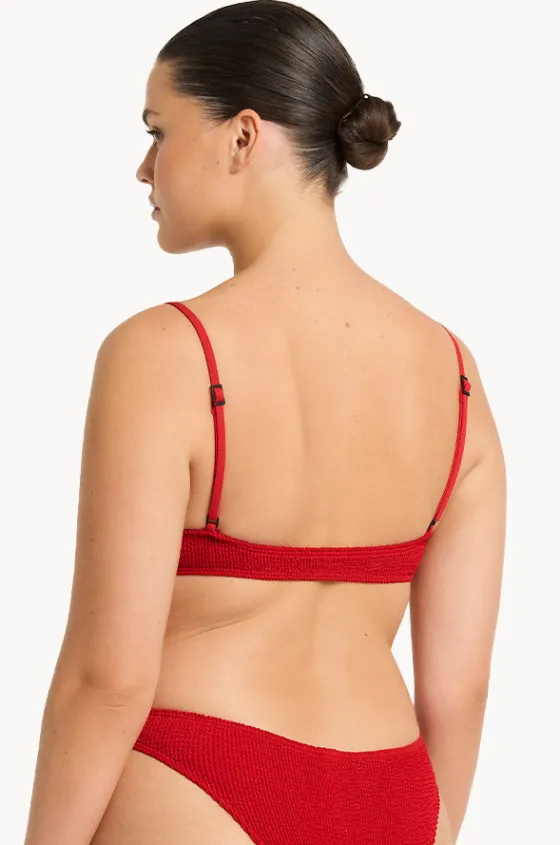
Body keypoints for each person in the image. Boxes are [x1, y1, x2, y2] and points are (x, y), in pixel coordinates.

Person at [23, 2, 506, 844]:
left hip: (194, 787)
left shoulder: (164, 353)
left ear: (243, 136)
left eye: (158, 131)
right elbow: (458, 687)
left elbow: (108, 677)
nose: (144, 168)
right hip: (389, 792)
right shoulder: (454, 373)